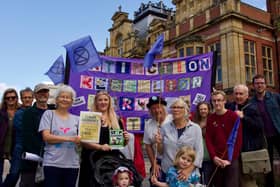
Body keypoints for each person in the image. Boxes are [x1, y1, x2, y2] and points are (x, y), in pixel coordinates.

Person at [78, 90, 130, 187]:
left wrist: (126, 140)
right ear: (96, 102)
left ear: (109, 102)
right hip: (91, 161)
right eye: (100, 100)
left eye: (106, 100)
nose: (103, 102)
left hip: (110, 163)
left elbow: (118, 144)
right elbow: (83, 141)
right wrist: (100, 147)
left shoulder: (116, 119)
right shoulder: (89, 117)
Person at [38, 85, 80, 187]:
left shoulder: (77, 119)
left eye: (68, 97)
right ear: (56, 99)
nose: (65, 99)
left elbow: (84, 140)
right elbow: (46, 137)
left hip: (72, 165)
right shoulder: (48, 114)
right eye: (62, 96)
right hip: (52, 163)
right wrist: (70, 139)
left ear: (72, 101)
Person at [156, 98, 203, 182]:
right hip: (168, 172)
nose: (175, 109)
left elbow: (199, 152)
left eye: (179, 107)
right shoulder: (164, 127)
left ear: (186, 110)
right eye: (173, 107)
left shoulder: (195, 128)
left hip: (189, 174)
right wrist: (159, 143)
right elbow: (160, 152)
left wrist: (188, 171)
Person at [226, 84, 265, 187]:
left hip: (248, 150)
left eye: (241, 94)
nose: (238, 96)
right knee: (235, 180)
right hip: (233, 150)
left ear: (247, 95)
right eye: (236, 94)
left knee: (248, 181)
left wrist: (244, 117)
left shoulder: (253, 107)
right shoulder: (229, 107)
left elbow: (259, 127)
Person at [205, 90, 242, 187]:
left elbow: (238, 140)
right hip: (216, 159)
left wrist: (229, 159)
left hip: (231, 159)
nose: (216, 103)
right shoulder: (210, 119)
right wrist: (214, 157)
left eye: (219, 100)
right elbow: (208, 139)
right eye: (214, 101)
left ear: (224, 101)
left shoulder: (233, 116)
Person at [20, 83, 54, 187]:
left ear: (48, 94)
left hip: (52, 160)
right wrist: (42, 154)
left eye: (45, 92)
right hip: (32, 161)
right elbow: (28, 138)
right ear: (35, 95)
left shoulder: (54, 111)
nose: (43, 94)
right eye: (40, 92)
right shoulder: (28, 113)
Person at [251, 74, 280, 187]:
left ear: (265, 85)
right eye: (257, 83)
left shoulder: (275, 97)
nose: (259, 85)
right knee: (267, 166)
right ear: (253, 85)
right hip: (264, 138)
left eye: (262, 83)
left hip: (278, 133)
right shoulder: (251, 102)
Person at [3, 87, 34, 187]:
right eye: (25, 97)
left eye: (29, 97)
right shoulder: (18, 113)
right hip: (18, 147)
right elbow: (24, 130)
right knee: (14, 173)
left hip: (29, 148)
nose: (27, 99)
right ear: (21, 99)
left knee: (27, 176)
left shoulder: (34, 111)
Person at [143, 96, 172, 186]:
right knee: (155, 180)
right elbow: (148, 145)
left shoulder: (173, 119)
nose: (156, 110)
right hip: (158, 160)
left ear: (164, 107)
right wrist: (154, 164)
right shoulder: (148, 124)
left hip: (173, 160)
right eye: (153, 108)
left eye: (158, 107)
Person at [0, 88, 20, 185]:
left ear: (17, 98)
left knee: (15, 174)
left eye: (13, 97)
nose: (10, 100)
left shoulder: (21, 112)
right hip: (1, 148)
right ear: (4, 99)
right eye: (8, 98)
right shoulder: (1, 112)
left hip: (14, 148)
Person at [193, 101, 213, 186]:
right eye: (201, 109)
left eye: (205, 109)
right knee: (197, 182)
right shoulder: (194, 123)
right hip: (196, 157)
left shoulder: (212, 121)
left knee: (208, 181)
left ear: (208, 110)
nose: (203, 111)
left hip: (208, 157)